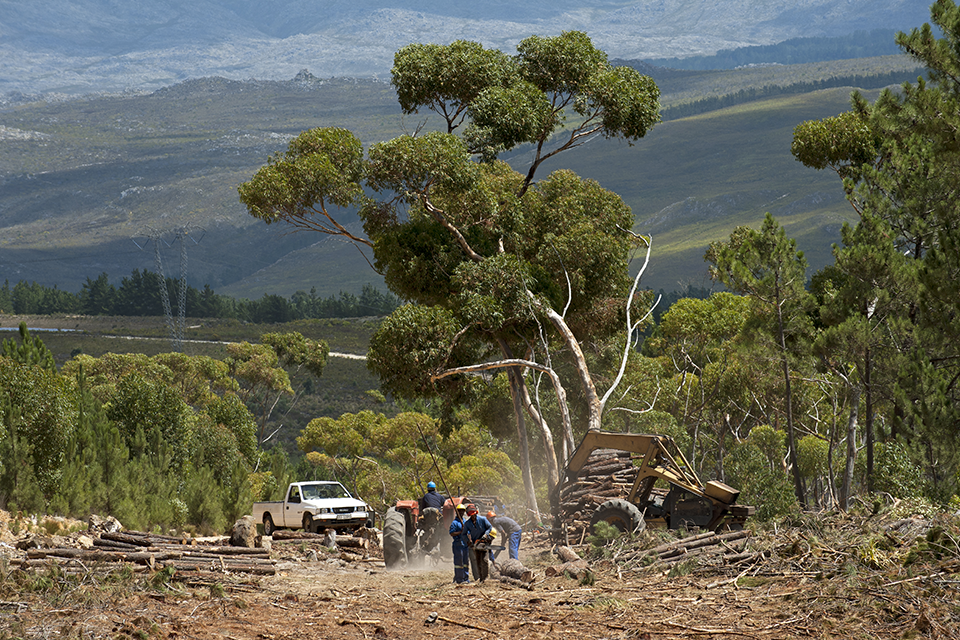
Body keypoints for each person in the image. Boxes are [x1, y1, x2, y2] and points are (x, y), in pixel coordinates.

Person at [462, 504, 493, 582]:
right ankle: (480, 578)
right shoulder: (467, 523)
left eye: (474, 515)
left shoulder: (483, 519)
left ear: (476, 513)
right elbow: (463, 534)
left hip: (484, 542)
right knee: (478, 561)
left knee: (484, 560)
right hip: (475, 544)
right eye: (472, 515)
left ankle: (485, 577)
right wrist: (468, 542)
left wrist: (486, 534)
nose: (473, 517)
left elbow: (489, 527)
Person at [448, 503, 470, 584]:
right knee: (459, 563)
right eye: (459, 511)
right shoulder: (454, 523)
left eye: (462, 511)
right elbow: (452, 533)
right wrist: (461, 532)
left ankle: (466, 578)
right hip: (458, 545)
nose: (461, 512)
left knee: (465, 563)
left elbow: (469, 532)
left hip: (465, 545)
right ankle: (459, 579)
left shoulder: (465, 522)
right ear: (457, 512)